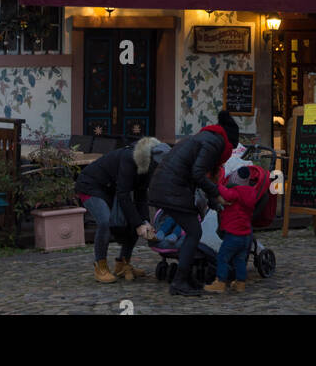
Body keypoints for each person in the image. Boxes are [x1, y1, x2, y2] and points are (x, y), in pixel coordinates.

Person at [147, 109, 239, 297]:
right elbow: (198, 173)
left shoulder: (205, 138)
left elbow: (196, 176)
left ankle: (185, 278)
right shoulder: (214, 143)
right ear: (229, 144)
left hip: (166, 187)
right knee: (194, 232)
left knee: (192, 231)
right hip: (172, 189)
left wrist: (213, 201)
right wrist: (216, 194)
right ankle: (180, 281)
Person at [74, 136, 169, 284]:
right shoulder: (129, 158)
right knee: (105, 221)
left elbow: (141, 194)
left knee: (134, 220)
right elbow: (123, 193)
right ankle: (100, 266)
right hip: (90, 186)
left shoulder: (149, 165)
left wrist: (144, 221)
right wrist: (139, 224)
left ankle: (123, 264)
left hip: (109, 189)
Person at [203, 162, 269, 296]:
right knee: (239, 260)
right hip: (245, 235)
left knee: (222, 257)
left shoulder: (236, 193)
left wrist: (216, 185)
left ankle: (220, 283)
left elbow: (226, 194)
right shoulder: (251, 193)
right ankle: (240, 283)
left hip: (233, 234)